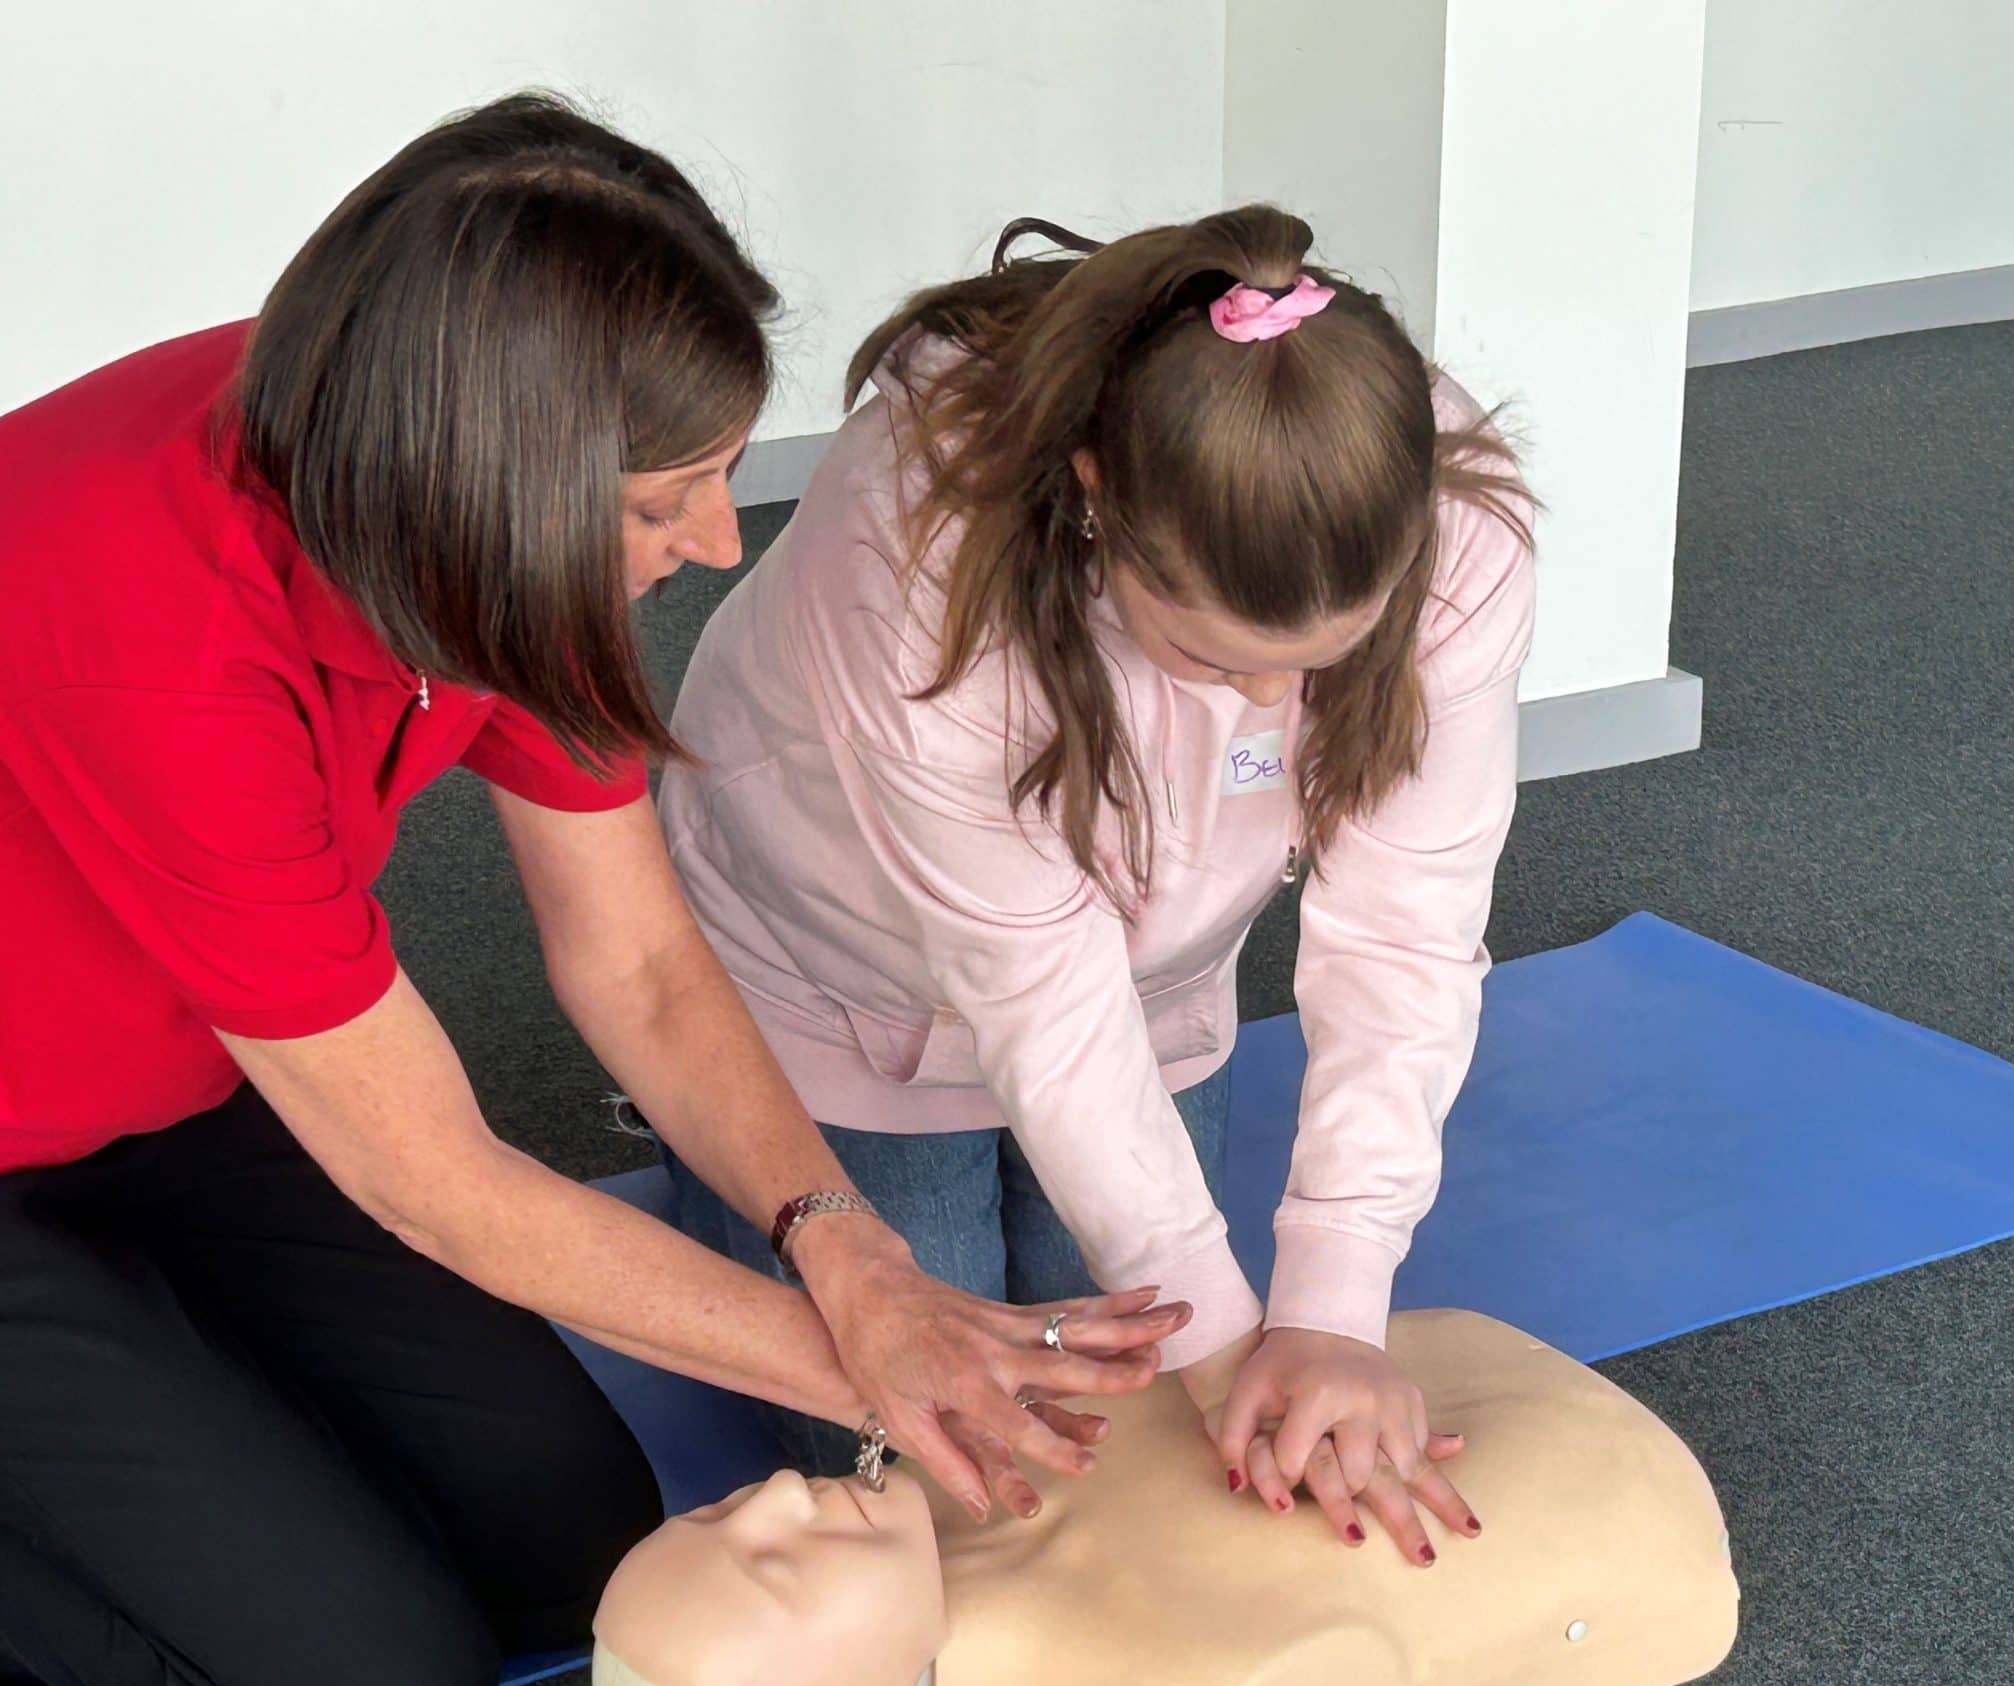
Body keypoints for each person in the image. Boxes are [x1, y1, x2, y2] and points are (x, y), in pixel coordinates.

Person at [0, 95, 1180, 1686]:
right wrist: (878, 1366)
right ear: (485, 492)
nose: (723, 543)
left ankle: (113, 1382)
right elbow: (436, 1183)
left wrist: (844, 1248)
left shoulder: (450, 490)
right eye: (673, 498)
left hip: (184, 1081)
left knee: (567, 1550)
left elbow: (634, 961)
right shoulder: (153, 629)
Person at [655, 207, 1537, 1558]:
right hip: (838, 960)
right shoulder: (917, 556)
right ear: (1095, 496)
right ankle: (705, 1153)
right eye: (1215, 653)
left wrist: (1327, 1311)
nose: (1275, 702)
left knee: (1130, 1417)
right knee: (966, 1475)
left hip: (1148, 973)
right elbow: (1038, 993)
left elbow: (1407, 927)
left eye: (1321, 657)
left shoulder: (1448, 527)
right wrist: (1230, 1349)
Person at [589, 1310, 1741, 1686]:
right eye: (780, 1569)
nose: (785, 1493)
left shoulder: (932, 1485)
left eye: (721, 1510)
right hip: (1562, 1478)